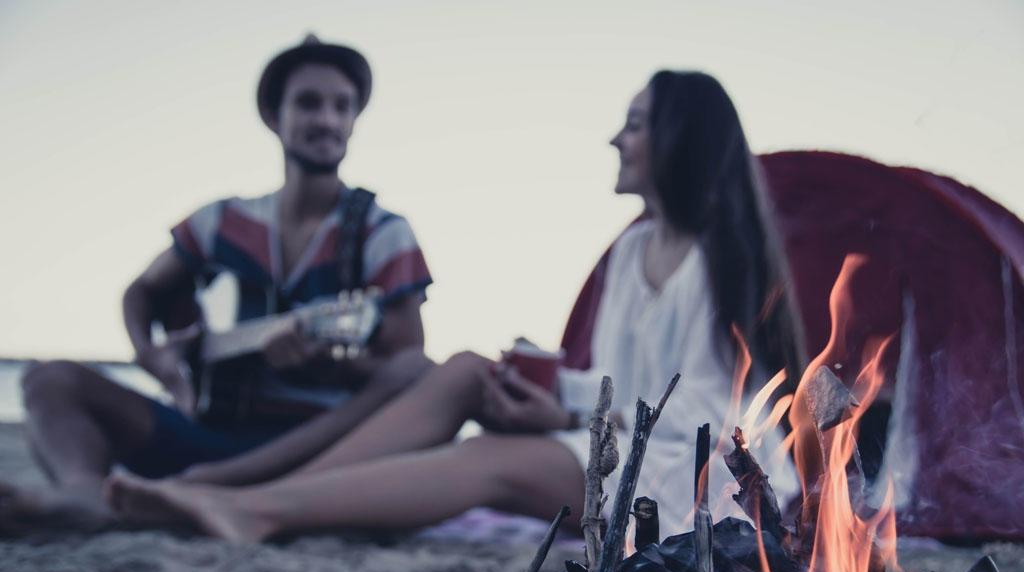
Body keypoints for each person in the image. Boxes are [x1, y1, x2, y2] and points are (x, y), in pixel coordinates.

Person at [106, 71, 805, 542]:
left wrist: (562, 417)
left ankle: (256, 508)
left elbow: (717, 412)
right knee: (469, 369)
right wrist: (535, 392)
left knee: (491, 456)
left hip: (701, 478)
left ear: (681, 139)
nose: (617, 139)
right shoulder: (633, 250)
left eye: (635, 125)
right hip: (622, 446)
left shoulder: (721, 252)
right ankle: (261, 488)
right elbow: (619, 389)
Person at [2, 36, 433, 532]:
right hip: (204, 429)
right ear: (274, 116)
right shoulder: (220, 221)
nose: (328, 120)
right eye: (309, 103)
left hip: (316, 451)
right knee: (48, 380)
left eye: (343, 106)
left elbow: (405, 366)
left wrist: (331, 365)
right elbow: (141, 292)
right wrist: (155, 356)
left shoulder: (383, 232)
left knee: (418, 370)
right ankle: (85, 495)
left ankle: (185, 494)